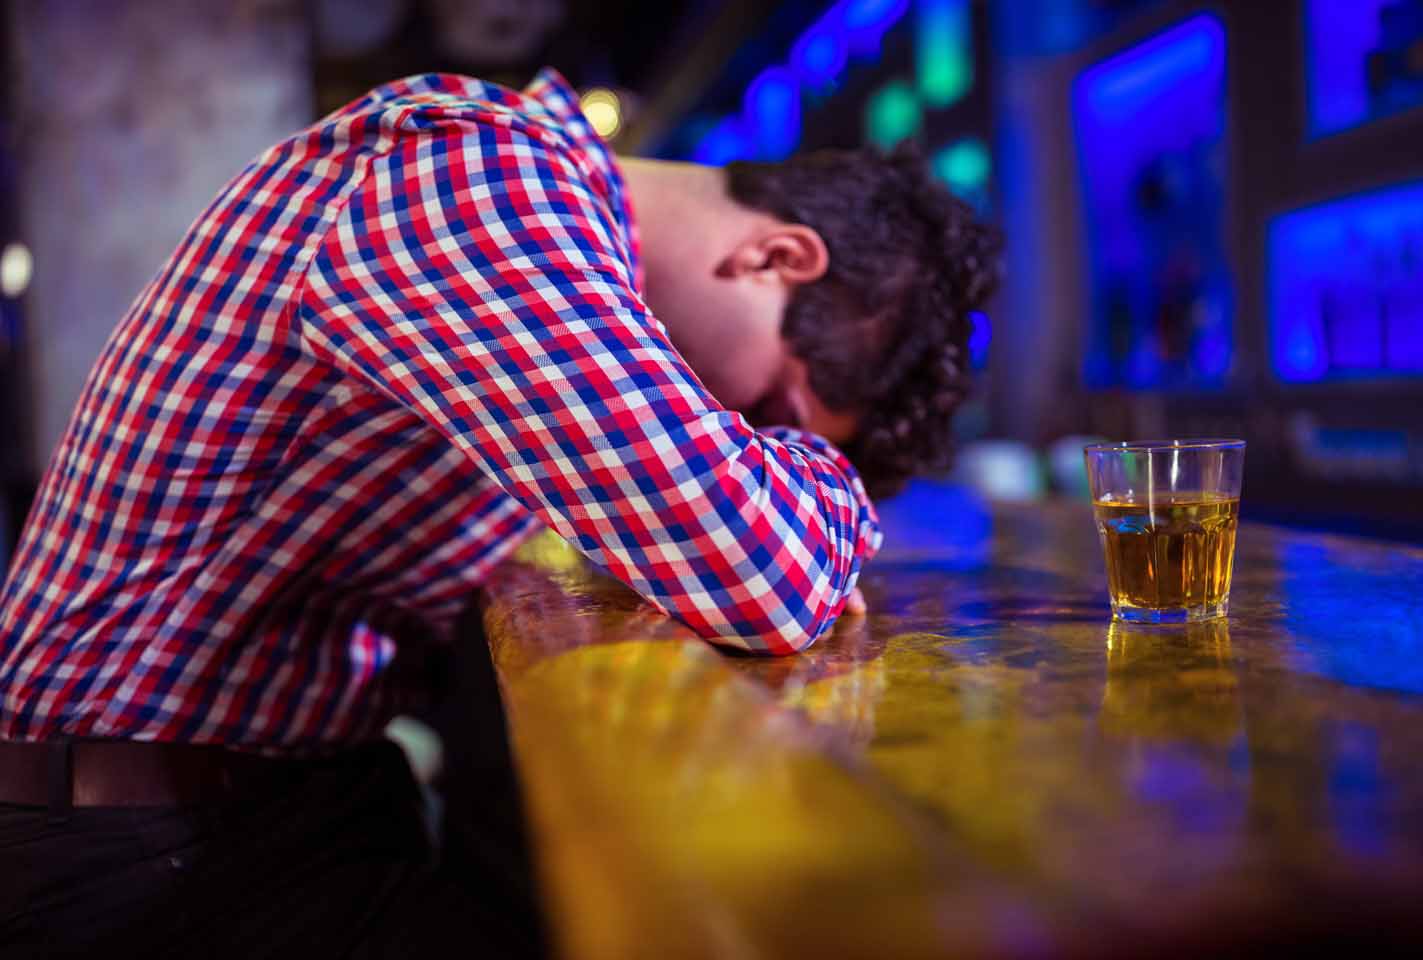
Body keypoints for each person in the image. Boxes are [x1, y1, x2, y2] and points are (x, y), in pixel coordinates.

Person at [0, 69, 999, 955]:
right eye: (780, 411)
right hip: (137, 861)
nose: (749, 432)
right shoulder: (479, 184)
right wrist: (826, 482)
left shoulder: (554, 247)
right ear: (777, 257)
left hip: (290, 804)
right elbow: (761, 575)